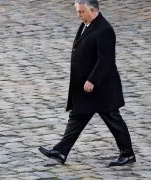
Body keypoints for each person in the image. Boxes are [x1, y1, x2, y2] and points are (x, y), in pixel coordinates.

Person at [39, 0, 135, 166]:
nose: (78, 15)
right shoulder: (87, 24)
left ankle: (127, 154)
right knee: (76, 117)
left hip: (102, 88)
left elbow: (105, 60)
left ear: (92, 10)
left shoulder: (104, 30)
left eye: (81, 12)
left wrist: (92, 80)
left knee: (113, 120)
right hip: (85, 87)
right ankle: (61, 151)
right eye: (78, 11)